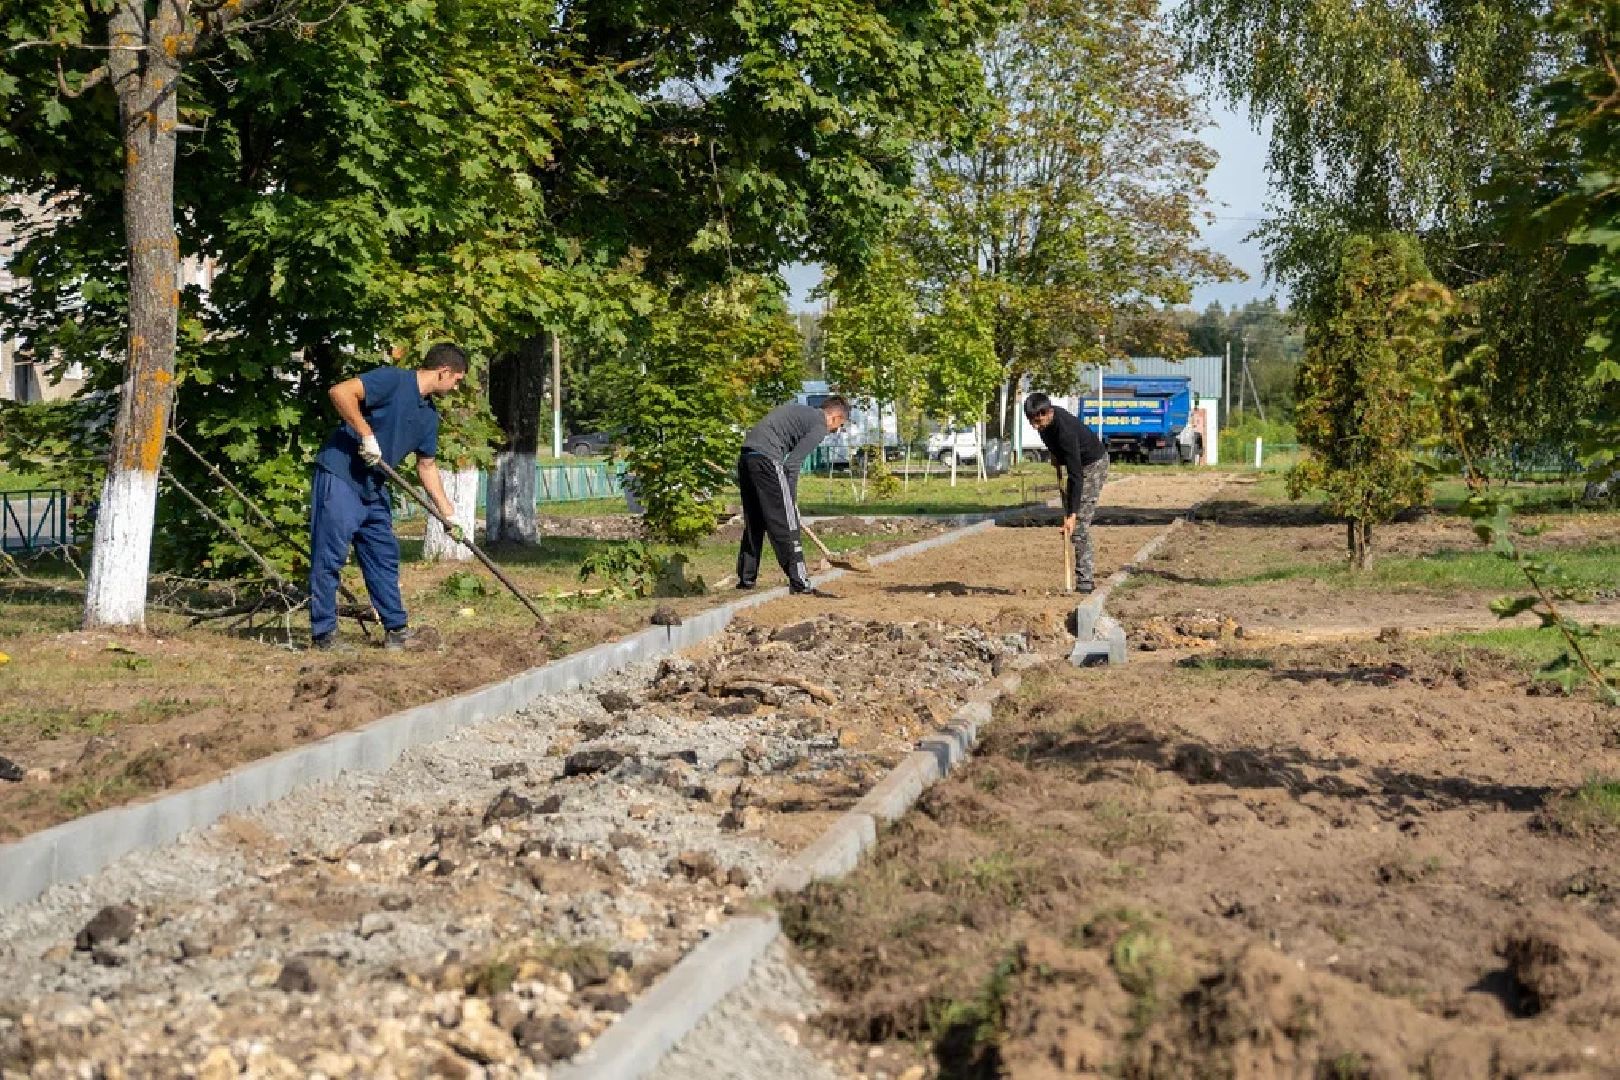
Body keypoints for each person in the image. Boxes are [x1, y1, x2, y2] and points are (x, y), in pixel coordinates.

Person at [309, 342, 469, 649]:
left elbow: (427, 466)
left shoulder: (428, 417)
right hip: (341, 475)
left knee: (384, 555)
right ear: (444, 372)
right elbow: (339, 392)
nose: (456, 387)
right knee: (329, 556)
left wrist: (448, 513)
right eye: (457, 380)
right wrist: (366, 435)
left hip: (373, 486)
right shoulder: (394, 380)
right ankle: (324, 635)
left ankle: (396, 631)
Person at [736, 395, 849, 594]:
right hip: (767, 458)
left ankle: (746, 579)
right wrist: (791, 500)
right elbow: (792, 464)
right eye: (838, 426)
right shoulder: (819, 425)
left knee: (755, 521)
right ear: (834, 417)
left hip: (747, 456)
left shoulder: (802, 412)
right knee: (788, 524)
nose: (835, 431)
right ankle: (800, 582)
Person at [1025, 391, 1109, 593]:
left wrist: (1072, 514)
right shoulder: (1045, 425)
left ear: (1048, 412)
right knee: (1073, 522)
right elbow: (1057, 449)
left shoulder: (1066, 431)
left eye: (1038, 421)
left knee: (1078, 525)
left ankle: (1085, 581)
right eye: (1031, 421)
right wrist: (1056, 456)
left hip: (1092, 466)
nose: (1035, 426)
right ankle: (1083, 577)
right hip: (1076, 466)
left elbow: (1076, 476)